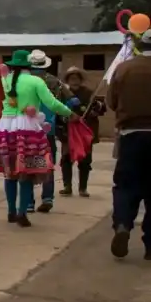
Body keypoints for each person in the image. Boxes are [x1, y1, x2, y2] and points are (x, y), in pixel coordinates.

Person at [0, 50, 71, 227]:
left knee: (9, 174)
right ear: (29, 65)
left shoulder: (2, 81)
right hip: (28, 129)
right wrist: (70, 113)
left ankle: (11, 211)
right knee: (27, 173)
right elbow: (52, 103)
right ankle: (22, 212)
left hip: (3, 129)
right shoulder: (36, 81)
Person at [107, 30, 151, 259]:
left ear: (139, 45)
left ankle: (123, 224)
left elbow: (111, 101)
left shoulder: (124, 68)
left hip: (131, 134)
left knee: (125, 186)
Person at [24, 49, 73, 213]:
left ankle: (28, 202)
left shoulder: (23, 81)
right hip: (48, 129)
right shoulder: (54, 81)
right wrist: (70, 113)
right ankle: (47, 198)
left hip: (27, 129)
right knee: (48, 164)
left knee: (27, 165)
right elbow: (73, 100)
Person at [59, 66, 106, 197]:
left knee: (85, 161)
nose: (74, 81)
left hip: (85, 131)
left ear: (80, 80)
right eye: (71, 78)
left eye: (76, 78)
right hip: (68, 131)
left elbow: (101, 109)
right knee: (66, 159)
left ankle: (83, 188)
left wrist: (95, 108)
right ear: (68, 80)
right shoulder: (63, 93)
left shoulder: (90, 93)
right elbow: (57, 109)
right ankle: (67, 186)